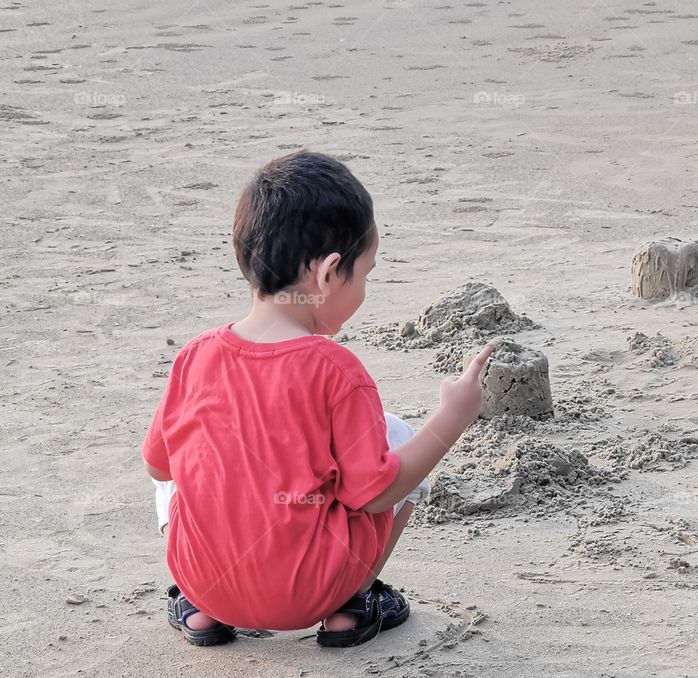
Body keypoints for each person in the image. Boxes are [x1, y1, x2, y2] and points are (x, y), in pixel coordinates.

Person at [142, 150, 493, 647]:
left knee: (177, 460)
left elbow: (158, 467)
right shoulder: (336, 371)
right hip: (313, 591)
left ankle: (200, 608)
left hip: (207, 581)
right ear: (328, 274)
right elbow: (375, 494)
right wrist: (451, 419)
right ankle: (352, 604)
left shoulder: (195, 356)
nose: (365, 288)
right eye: (365, 274)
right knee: (396, 436)